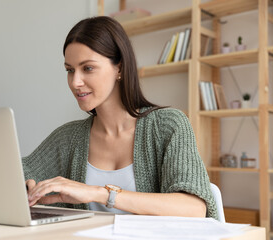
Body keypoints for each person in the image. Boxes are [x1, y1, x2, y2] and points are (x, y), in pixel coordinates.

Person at [23, 16, 218, 219]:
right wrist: (23, 183)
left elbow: (194, 208)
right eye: (70, 70)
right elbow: (16, 170)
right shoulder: (68, 137)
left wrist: (99, 193)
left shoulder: (168, 126)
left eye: (87, 68)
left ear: (120, 68)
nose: (75, 82)